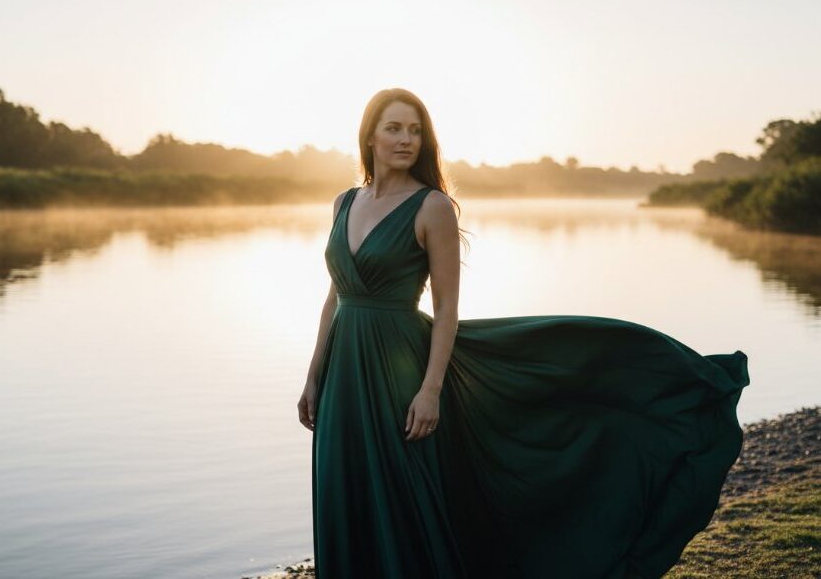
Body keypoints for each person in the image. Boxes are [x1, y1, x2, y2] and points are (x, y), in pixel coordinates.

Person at [297, 88, 750, 579]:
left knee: (403, 498)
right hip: (343, 373)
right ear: (369, 136)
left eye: (415, 130)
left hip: (396, 371)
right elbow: (334, 297)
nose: (406, 139)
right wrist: (313, 375)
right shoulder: (344, 203)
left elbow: (446, 307)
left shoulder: (432, 207)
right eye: (394, 128)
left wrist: (430, 391)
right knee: (346, 490)